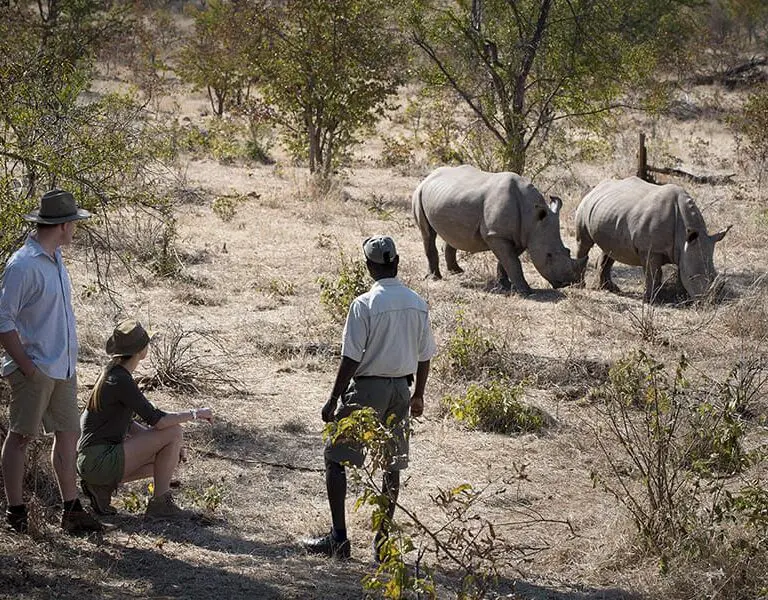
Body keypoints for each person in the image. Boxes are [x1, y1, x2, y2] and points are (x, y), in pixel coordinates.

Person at [304, 235, 436, 560]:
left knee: (335, 457)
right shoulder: (417, 302)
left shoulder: (364, 304)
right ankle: (383, 542)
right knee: (391, 465)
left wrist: (333, 398)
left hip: (368, 389)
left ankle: (339, 538)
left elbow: (350, 357)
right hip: (400, 391)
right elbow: (425, 355)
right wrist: (418, 394)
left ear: (369, 267)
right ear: (397, 263)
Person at [0, 189, 102, 534]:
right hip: (36, 368)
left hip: (63, 367)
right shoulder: (23, 265)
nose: (76, 228)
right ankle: (16, 512)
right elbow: (3, 320)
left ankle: (70, 509)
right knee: (21, 437)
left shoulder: (56, 259)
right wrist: (27, 367)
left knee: (69, 433)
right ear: (62, 225)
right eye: (74, 222)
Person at [77, 319, 213, 518]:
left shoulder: (113, 374)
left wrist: (169, 445)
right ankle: (160, 505)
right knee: (174, 431)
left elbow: (130, 424)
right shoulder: (121, 380)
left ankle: (101, 487)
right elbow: (159, 421)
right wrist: (196, 413)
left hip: (91, 462)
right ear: (141, 350)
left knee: (166, 458)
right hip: (99, 461)